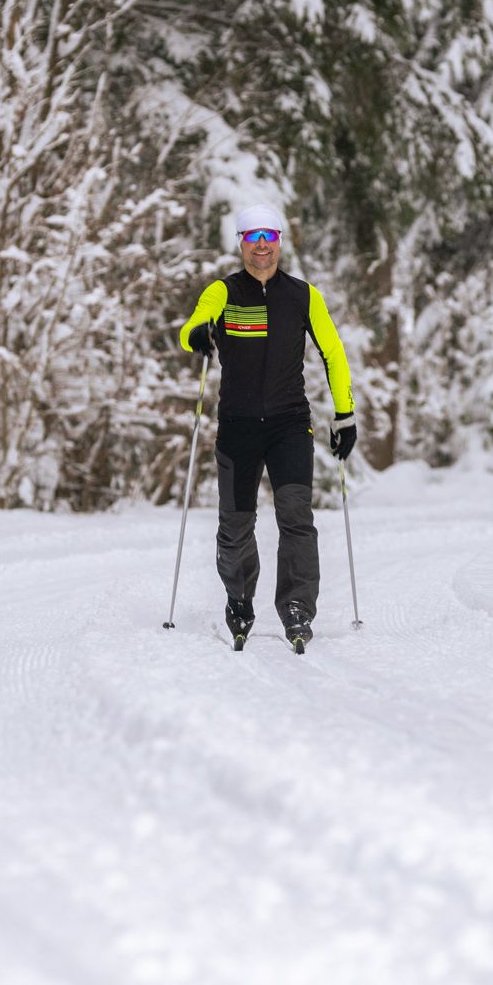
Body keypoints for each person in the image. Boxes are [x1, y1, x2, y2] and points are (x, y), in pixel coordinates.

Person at [177, 201, 356, 652]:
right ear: (240, 243)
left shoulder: (303, 295)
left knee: (296, 517)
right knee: (235, 525)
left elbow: (333, 354)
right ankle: (239, 599)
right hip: (238, 426)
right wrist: (198, 333)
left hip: (289, 424)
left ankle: (297, 606)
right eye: (253, 238)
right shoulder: (223, 291)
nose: (262, 247)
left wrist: (345, 413)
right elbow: (192, 326)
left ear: (280, 242)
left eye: (269, 238)